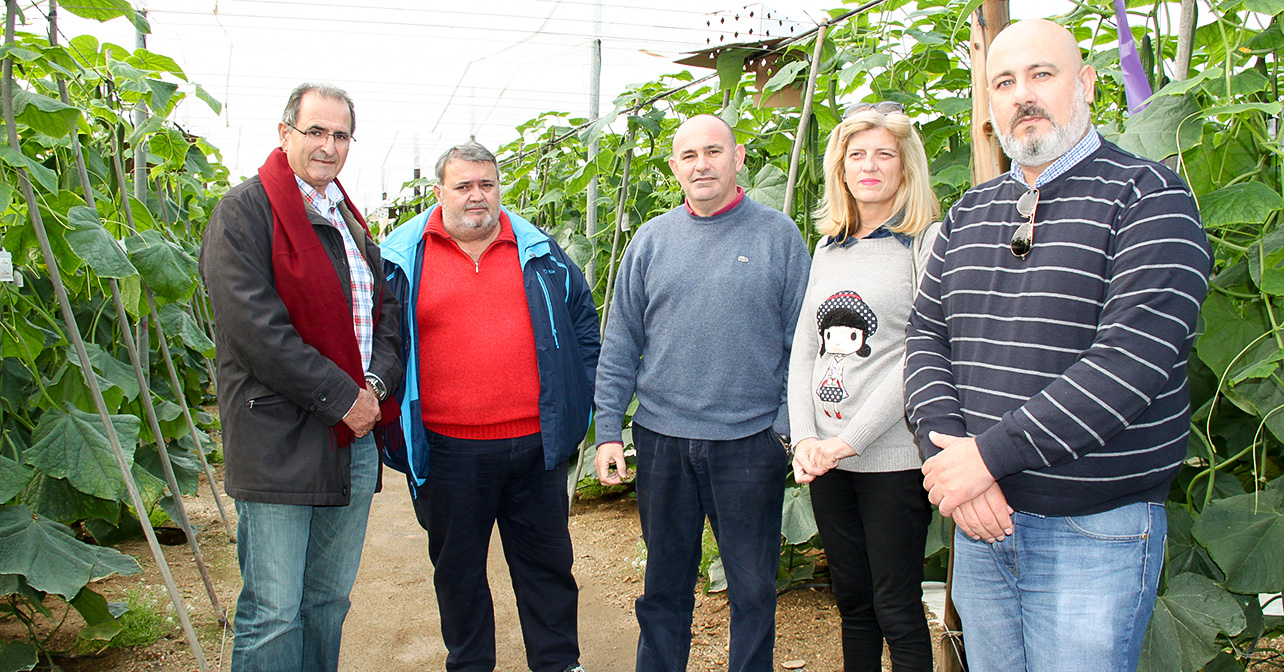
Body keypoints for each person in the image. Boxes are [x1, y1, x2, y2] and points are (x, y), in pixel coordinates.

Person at [903, 19, 1212, 672]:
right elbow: (927, 336)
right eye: (1004, 82)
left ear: (1088, 84)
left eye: (1042, 74)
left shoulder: (1150, 198)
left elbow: (1130, 364)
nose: (1024, 94)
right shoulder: (968, 213)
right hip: (982, 527)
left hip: (1093, 534)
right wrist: (955, 460)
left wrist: (987, 457)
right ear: (989, 106)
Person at [593, 114, 811, 672]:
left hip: (748, 442)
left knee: (754, 589)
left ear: (738, 159)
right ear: (674, 168)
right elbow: (620, 340)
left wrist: (783, 432)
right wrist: (608, 433)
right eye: (689, 156)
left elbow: (802, 343)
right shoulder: (651, 240)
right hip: (662, 439)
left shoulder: (778, 236)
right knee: (665, 585)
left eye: (713, 151)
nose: (701, 164)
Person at [199, 83, 403, 672]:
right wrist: (344, 398)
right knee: (273, 611)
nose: (328, 145)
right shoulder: (244, 213)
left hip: (351, 437)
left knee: (328, 602)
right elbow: (256, 330)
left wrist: (376, 391)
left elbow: (385, 316)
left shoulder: (348, 219)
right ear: (285, 133)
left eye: (340, 135)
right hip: (279, 439)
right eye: (315, 130)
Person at [379, 141, 598, 672]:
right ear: (439, 193)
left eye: (487, 184)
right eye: (463, 186)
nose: (477, 196)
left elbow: (584, 326)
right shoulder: (400, 258)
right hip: (448, 450)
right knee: (458, 572)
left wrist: (578, 399)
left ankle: (558, 663)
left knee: (546, 567)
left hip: (535, 447)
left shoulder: (539, 252)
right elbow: (377, 343)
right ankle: (470, 663)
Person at [788, 103, 938, 672]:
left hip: (892, 458)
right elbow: (806, 348)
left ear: (905, 167)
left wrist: (848, 439)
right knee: (851, 603)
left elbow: (922, 352)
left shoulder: (924, 241)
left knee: (895, 605)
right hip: (826, 462)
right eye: (857, 155)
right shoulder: (830, 246)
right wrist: (806, 438)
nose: (869, 166)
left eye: (884, 154)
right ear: (841, 169)